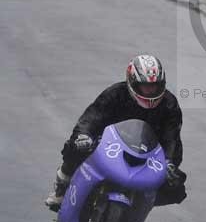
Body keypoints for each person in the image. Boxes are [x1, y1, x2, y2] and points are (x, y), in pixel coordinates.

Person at [45, 54, 187, 211]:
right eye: (145, 86)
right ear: (132, 82)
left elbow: (172, 138)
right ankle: (62, 188)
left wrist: (169, 163)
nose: (150, 91)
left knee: (176, 189)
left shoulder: (169, 104)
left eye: (154, 86)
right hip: (108, 145)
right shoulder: (115, 94)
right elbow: (91, 118)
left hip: (147, 155)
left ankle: (138, 208)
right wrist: (83, 136)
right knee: (75, 146)